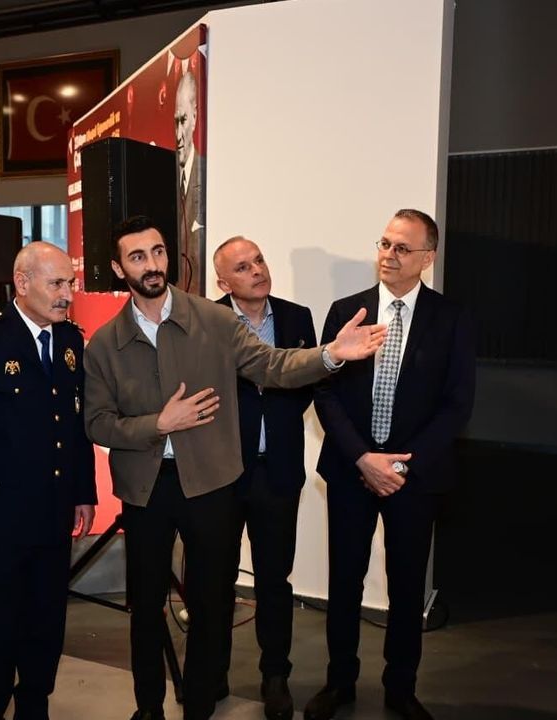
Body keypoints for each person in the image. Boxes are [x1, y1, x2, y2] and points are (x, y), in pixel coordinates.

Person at [83, 215, 384, 720]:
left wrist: (330, 355)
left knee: (209, 605)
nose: (152, 264)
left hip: (210, 485)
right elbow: (96, 423)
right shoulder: (104, 344)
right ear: (118, 269)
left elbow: (273, 365)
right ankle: (148, 709)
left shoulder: (215, 321)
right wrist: (159, 423)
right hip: (145, 491)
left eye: (158, 252)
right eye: (137, 257)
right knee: (146, 610)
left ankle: (200, 707)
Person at [305, 209, 476, 720]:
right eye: (384, 244)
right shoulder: (347, 311)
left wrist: (399, 468)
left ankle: (401, 688)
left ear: (428, 257)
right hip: (350, 469)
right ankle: (339, 682)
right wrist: (362, 458)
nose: (389, 255)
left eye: (402, 248)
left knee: (405, 587)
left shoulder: (451, 318)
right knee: (344, 582)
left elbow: (456, 405)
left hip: (412, 479)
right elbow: (325, 391)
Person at [0, 241, 96, 720]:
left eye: (70, 283)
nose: (67, 294)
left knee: (45, 625)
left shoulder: (69, 340)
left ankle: (35, 706)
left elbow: (75, 424)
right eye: (57, 284)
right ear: (23, 283)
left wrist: (83, 492)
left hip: (53, 514)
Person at [212, 236, 315, 720]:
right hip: (223, 473)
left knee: (275, 580)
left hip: (278, 469)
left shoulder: (297, 318)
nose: (256, 270)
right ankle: (211, 672)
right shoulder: (208, 320)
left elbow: (309, 382)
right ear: (223, 282)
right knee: (216, 578)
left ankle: (276, 676)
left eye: (258, 260)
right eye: (242, 266)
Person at [173, 71, 205, 294]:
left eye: (183, 120)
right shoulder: (169, 183)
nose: (178, 135)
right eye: (175, 122)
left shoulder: (207, 175)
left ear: (194, 116)